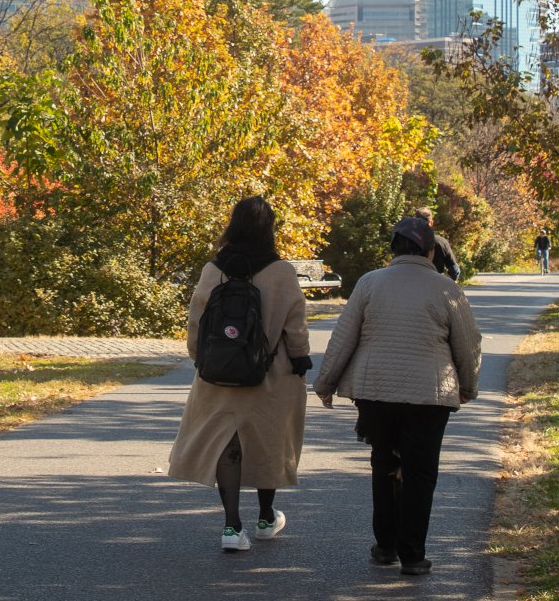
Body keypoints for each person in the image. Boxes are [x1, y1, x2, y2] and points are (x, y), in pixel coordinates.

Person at [313, 216, 481, 576]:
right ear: (430, 251)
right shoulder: (447, 289)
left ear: (392, 249)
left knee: (384, 464)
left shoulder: (370, 283)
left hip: (375, 393)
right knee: (420, 472)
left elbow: (344, 336)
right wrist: (467, 386)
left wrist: (325, 383)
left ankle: (385, 545)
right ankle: (413, 554)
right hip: (430, 396)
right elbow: (468, 344)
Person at [168, 196, 313, 553]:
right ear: (270, 229)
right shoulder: (281, 271)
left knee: (225, 443)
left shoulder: (212, 269)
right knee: (268, 440)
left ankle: (232, 527)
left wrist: (199, 359)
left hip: (218, 374)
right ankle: (266, 517)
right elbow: (295, 325)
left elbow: (196, 322)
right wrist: (300, 359)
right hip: (270, 373)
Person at [415, 207, 460, 281]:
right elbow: (454, 270)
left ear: (415, 222)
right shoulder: (441, 242)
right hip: (436, 283)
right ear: (431, 222)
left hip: (413, 283)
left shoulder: (408, 241)